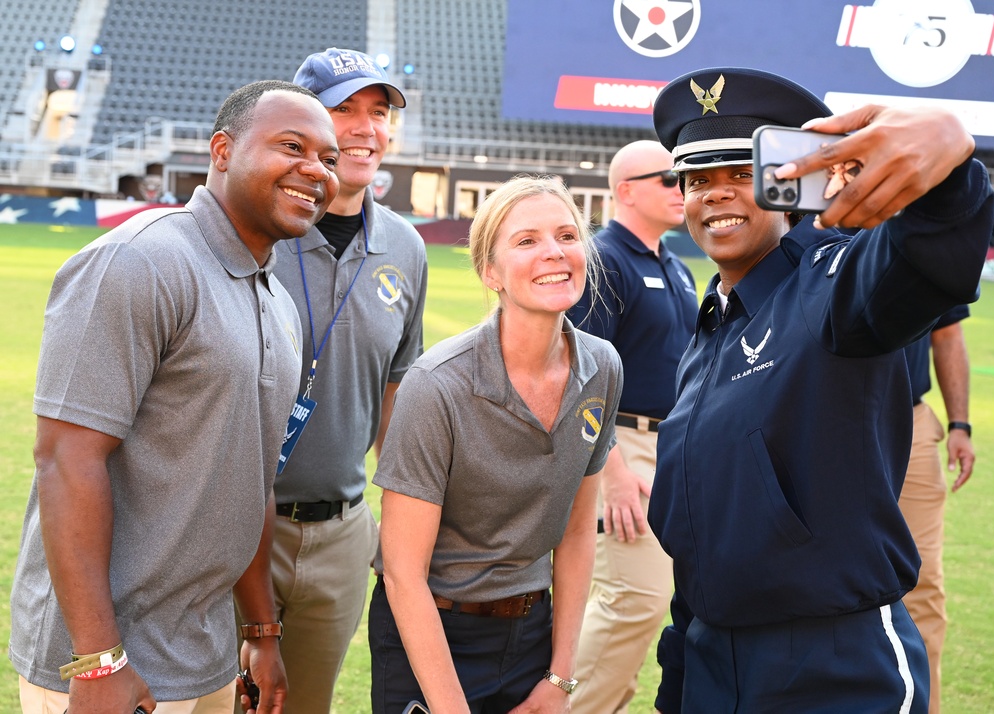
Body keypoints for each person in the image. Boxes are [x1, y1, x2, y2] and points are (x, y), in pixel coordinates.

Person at [645, 67, 994, 713]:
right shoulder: (709, 328)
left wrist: (949, 159)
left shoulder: (830, 280)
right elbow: (699, 534)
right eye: (698, 180)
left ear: (788, 186)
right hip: (711, 657)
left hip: (830, 665)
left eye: (742, 174)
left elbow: (928, 256)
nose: (717, 195)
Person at [8, 79, 339, 714]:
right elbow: (66, 460)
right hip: (106, 659)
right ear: (222, 151)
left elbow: (252, 481)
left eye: (328, 158)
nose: (315, 171)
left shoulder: (277, 302)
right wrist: (100, 661)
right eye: (292, 146)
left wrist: (262, 632)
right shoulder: (140, 260)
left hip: (204, 650)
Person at [369, 176, 624, 713]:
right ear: (491, 271)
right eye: (527, 241)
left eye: (566, 235)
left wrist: (560, 679)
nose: (554, 252)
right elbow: (403, 573)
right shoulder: (436, 384)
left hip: (532, 635)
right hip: (434, 632)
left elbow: (578, 534)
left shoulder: (602, 366)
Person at [256, 47, 428, 714]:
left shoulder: (406, 248)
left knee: (306, 705)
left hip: (340, 534)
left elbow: (397, 387)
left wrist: (402, 519)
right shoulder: (260, 227)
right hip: (238, 522)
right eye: (343, 110)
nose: (364, 128)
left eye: (378, 112)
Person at [565, 140, 697, 714]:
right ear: (625, 191)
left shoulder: (675, 263)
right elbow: (578, 373)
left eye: (685, 179)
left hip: (673, 448)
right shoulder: (604, 259)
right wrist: (613, 471)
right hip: (621, 446)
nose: (683, 189)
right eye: (669, 179)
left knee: (653, 603)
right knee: (633, 600)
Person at [900, 307, 975, 714]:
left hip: (909, 424)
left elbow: (946, 333)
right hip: (820, 421)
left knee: (923, 583)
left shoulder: (921, 243)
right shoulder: (801, 240)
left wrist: (960, 425)